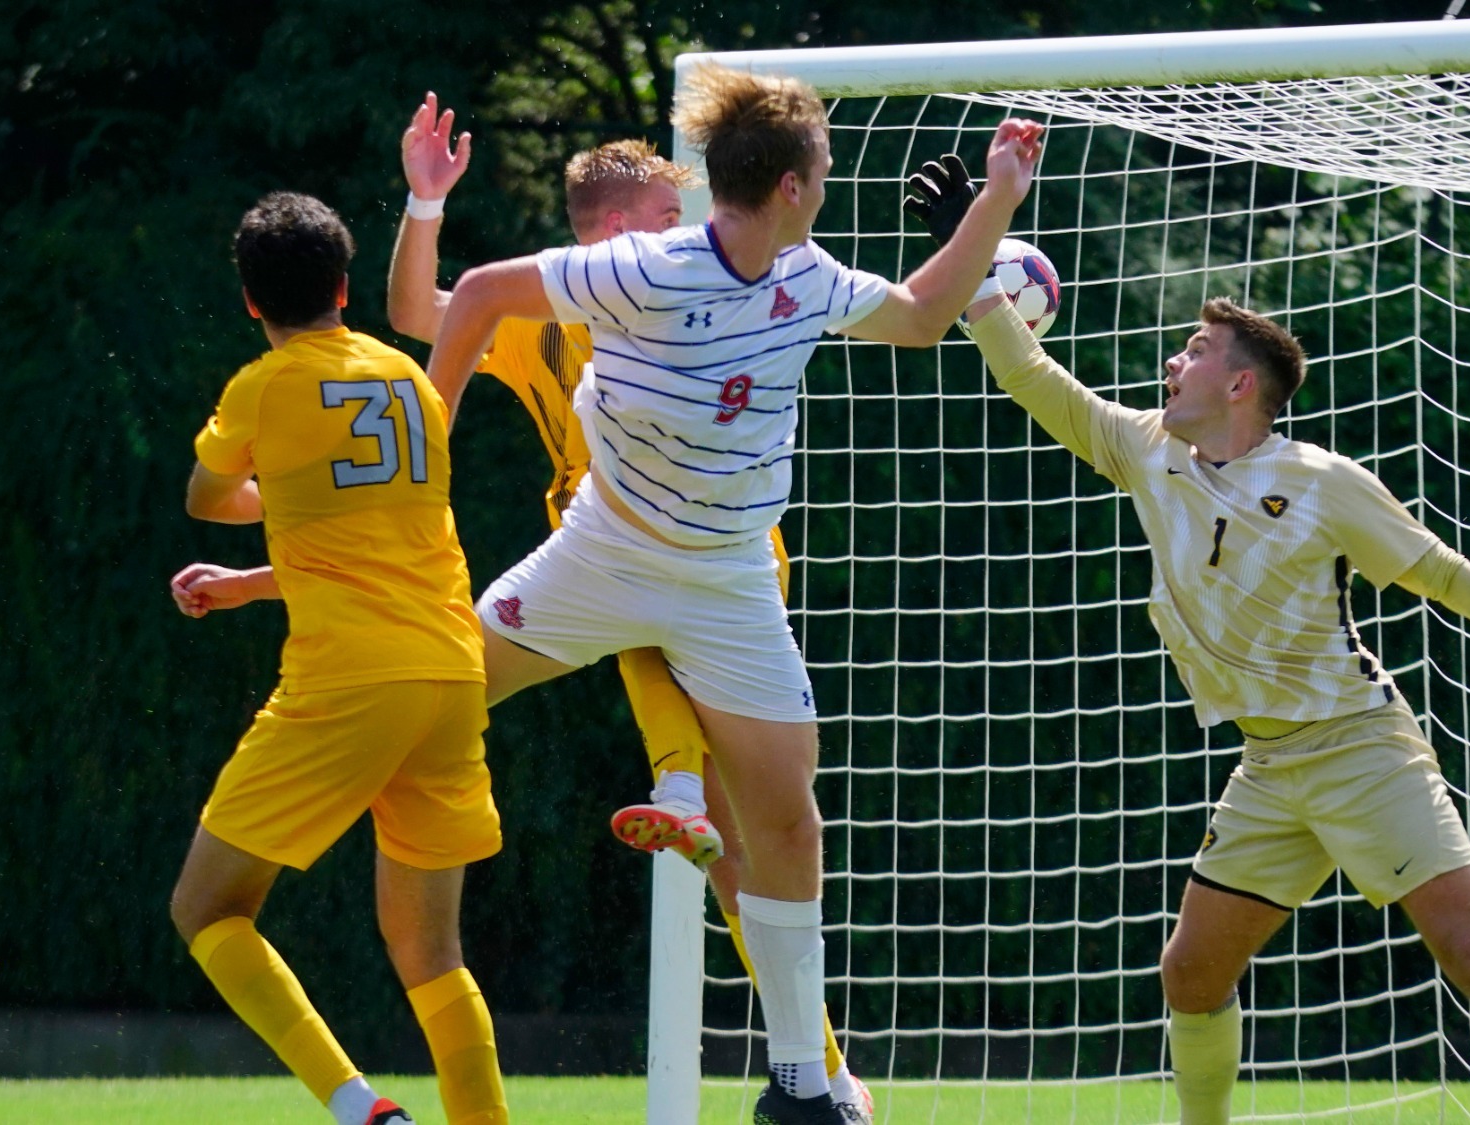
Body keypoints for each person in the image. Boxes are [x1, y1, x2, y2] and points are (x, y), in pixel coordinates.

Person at [904, 158, 1470, 1125]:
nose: (1171, 362)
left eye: (1193, 348)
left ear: (1238, 383)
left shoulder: (1320, 479)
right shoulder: (1148, 450)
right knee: (1189, 973)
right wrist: (968, 249)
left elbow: (1437, 569)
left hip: (1361, 746)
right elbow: (1028, 372)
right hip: (1268, 765)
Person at [422, 66, 1041, 1125]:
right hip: (599, 558)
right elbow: (475, 293)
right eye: (826, 169)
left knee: (785, 827)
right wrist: (416, 465)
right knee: (420, 699)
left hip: (727, 588)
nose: (828, 183)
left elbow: (922, 316)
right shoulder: (642, 267)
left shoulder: (808, 277)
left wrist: (994, 202)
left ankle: (803, 1086)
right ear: (793, 185)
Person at [382, 93, 872, 1117]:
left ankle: (811, 1066)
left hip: (720, 565)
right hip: (596, 563)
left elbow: (882, 313)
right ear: (612, 233)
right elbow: (426, 311)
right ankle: (684, 810)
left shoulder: (724, 276)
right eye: (663, 216)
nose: (688, 232)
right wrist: (424, 203)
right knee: (437, 685)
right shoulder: (563, 309)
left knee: (756, 843)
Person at [165, 191, 509, 1125]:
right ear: (347, 288)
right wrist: (248, 582)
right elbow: (372, 545)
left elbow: (209, 493)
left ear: (249, 301)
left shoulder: (261, 385)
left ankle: (363, 1110)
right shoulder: (407, 380)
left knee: (207, 911)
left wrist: (263, 485)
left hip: (351, 679)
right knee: (435, 957)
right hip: (449, 670)